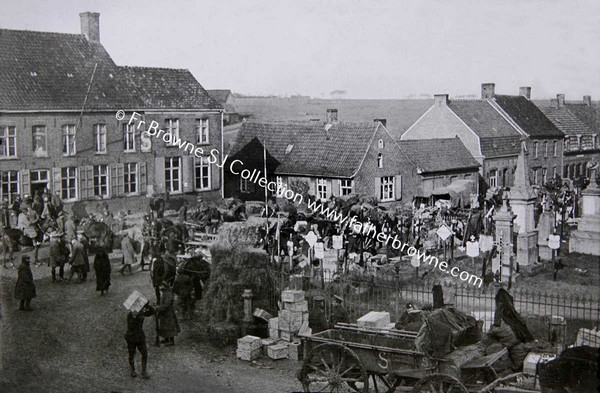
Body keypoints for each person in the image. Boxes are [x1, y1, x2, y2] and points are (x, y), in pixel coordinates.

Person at [124, 303, 155, 378]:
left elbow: (152, 312)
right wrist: (137, 316)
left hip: (140, 336)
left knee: (144, 353)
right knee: (131, 354)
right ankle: (132, 370)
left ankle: (144, 371)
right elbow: (132, 324)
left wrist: (147, 306)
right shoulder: (131, 315)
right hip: (131, 337)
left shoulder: (140, 313)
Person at [155, 281, 180, 346]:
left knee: (170, 327)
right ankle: (166, 339)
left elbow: (167, 304)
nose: (160, 287)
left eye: (161, 286)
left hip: (168, 313)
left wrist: (159, 308)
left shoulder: (168, 294)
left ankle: (171, 341)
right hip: (164, 313)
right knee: (164, 327)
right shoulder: (164, 293)